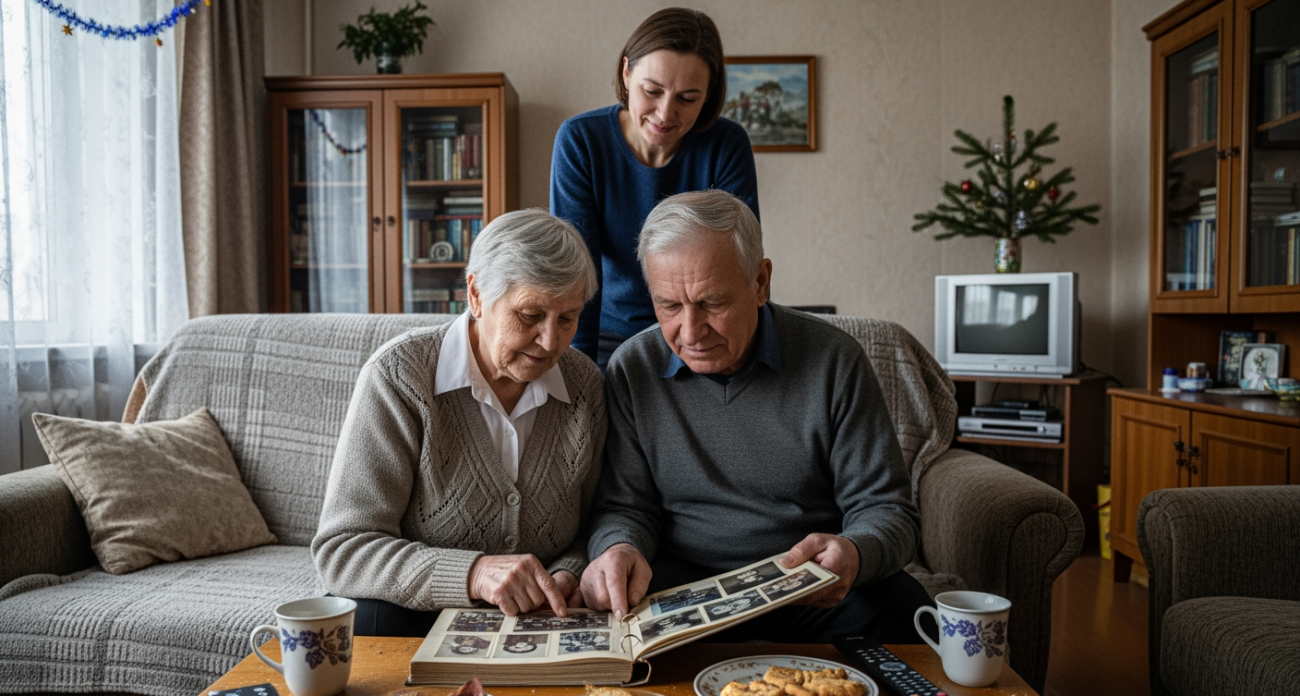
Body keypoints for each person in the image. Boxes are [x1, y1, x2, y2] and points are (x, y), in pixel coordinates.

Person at [580, 190, 932, 643]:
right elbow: (624, 506)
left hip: (809, 588)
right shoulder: (632, 367)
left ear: (761, 282)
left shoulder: (835, 360)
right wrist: (618, 548)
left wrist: (855, 551)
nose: (690, 332)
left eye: (712, 302)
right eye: (669, 305)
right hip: (685, 589)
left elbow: (887, 510)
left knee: (911, 614)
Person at [312, 209, 607, 637]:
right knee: (365, 618)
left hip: (544, 617)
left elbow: (597, 523)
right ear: (476, 295)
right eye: (529, 315)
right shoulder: (400, 376)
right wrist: (473, 574)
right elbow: (344, 550)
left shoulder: (584, 387)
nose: (550, 341)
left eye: (567, 318)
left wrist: (569, 572)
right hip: (418, 613)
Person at [550, 7, 759, 371]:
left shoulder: (727, 145)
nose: (664, 113)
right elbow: (575, 268)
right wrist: (576, 373)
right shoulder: (581, 140)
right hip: (607, 336)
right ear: (626, 72)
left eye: (687, 99)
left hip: (700, 331)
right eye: (652, 90)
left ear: (708, 96)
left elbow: (738, 262)